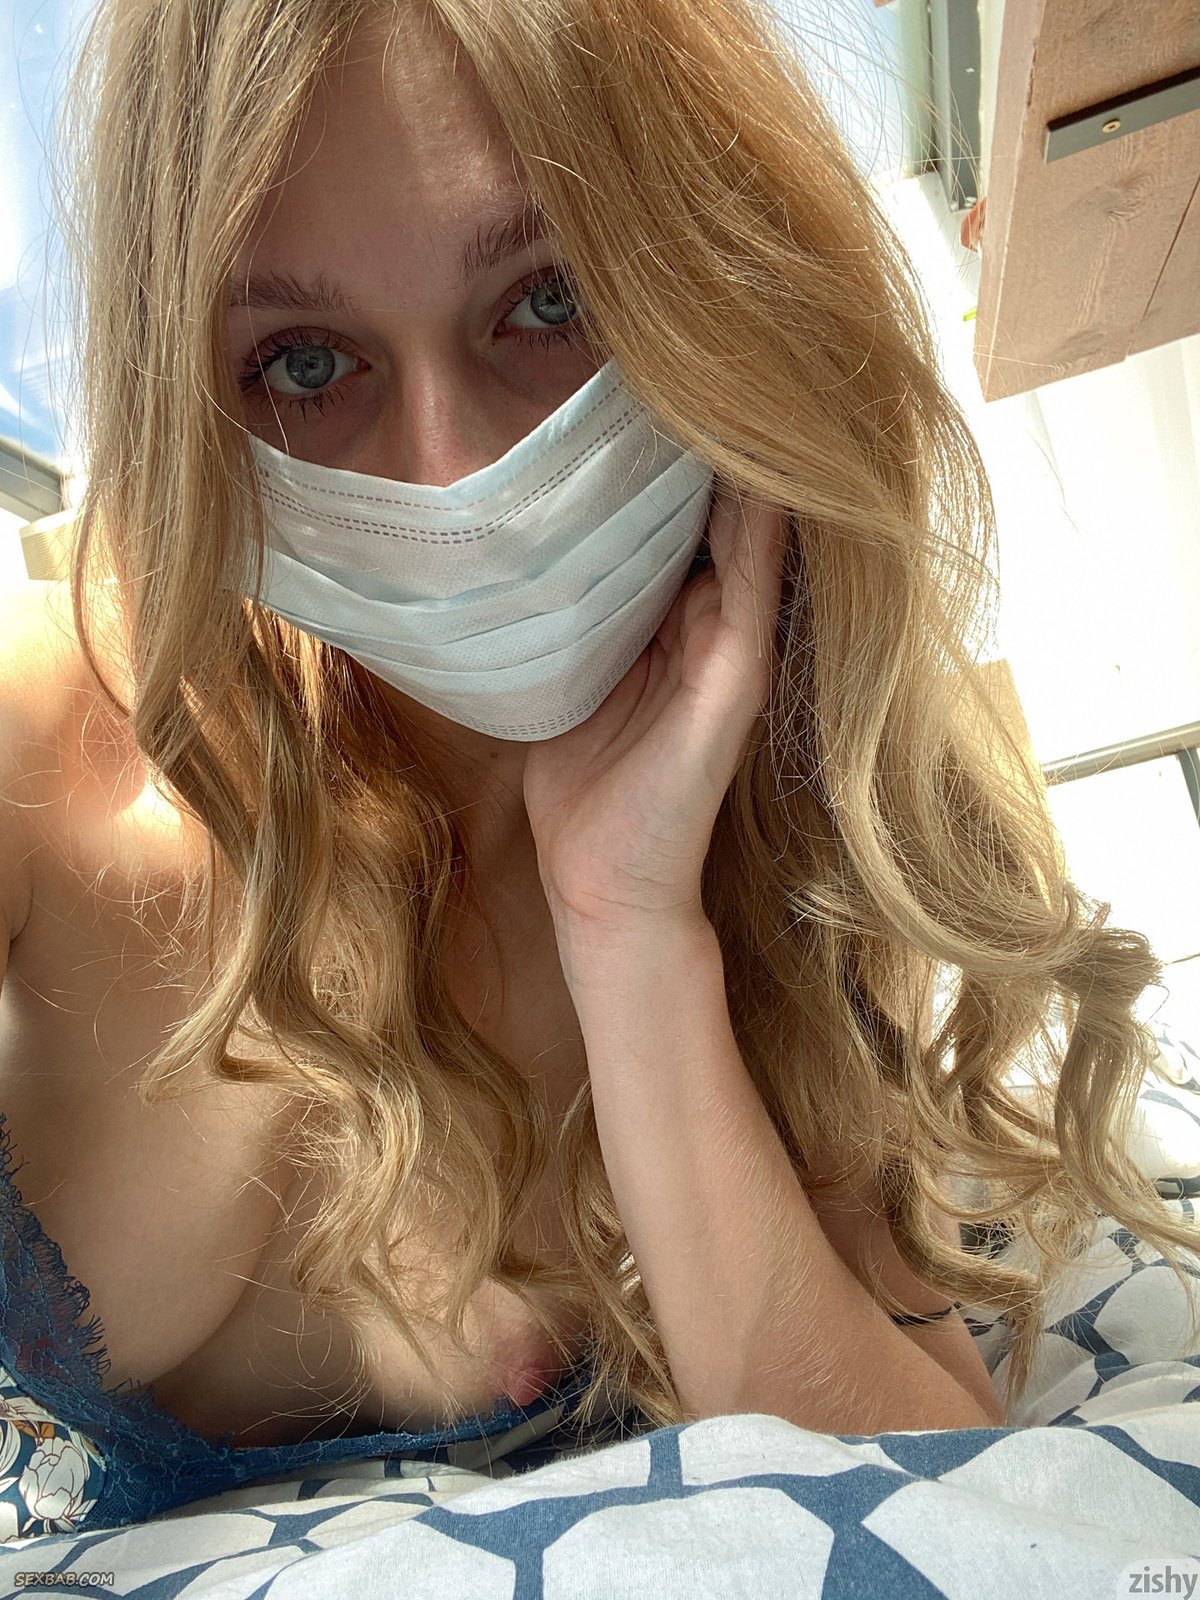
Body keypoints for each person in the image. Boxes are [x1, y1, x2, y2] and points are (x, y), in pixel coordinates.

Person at [0, 0, 1195, 1540]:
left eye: (548, 298)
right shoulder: (50, 747)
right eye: (304, 360)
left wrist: (631, 930)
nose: (457, 477)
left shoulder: (764, 817)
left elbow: (931, 1489)